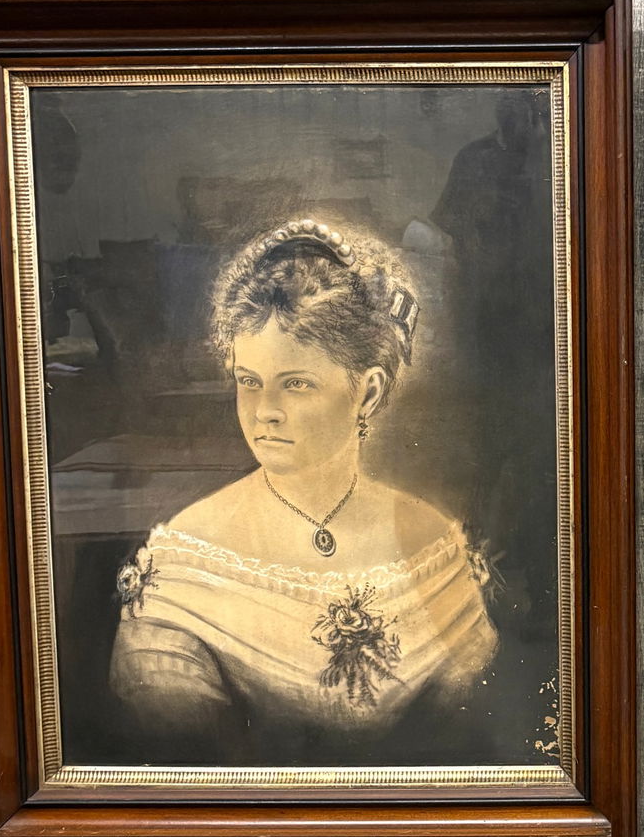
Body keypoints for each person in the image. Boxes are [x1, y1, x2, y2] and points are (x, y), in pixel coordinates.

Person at [110, 217, 499, 764]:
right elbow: (181, 764)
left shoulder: (434, 538)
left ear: (367, 393)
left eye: (297, 384)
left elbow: (476, 729)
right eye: (249, 381)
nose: (264, 411)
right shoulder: (183, 563)